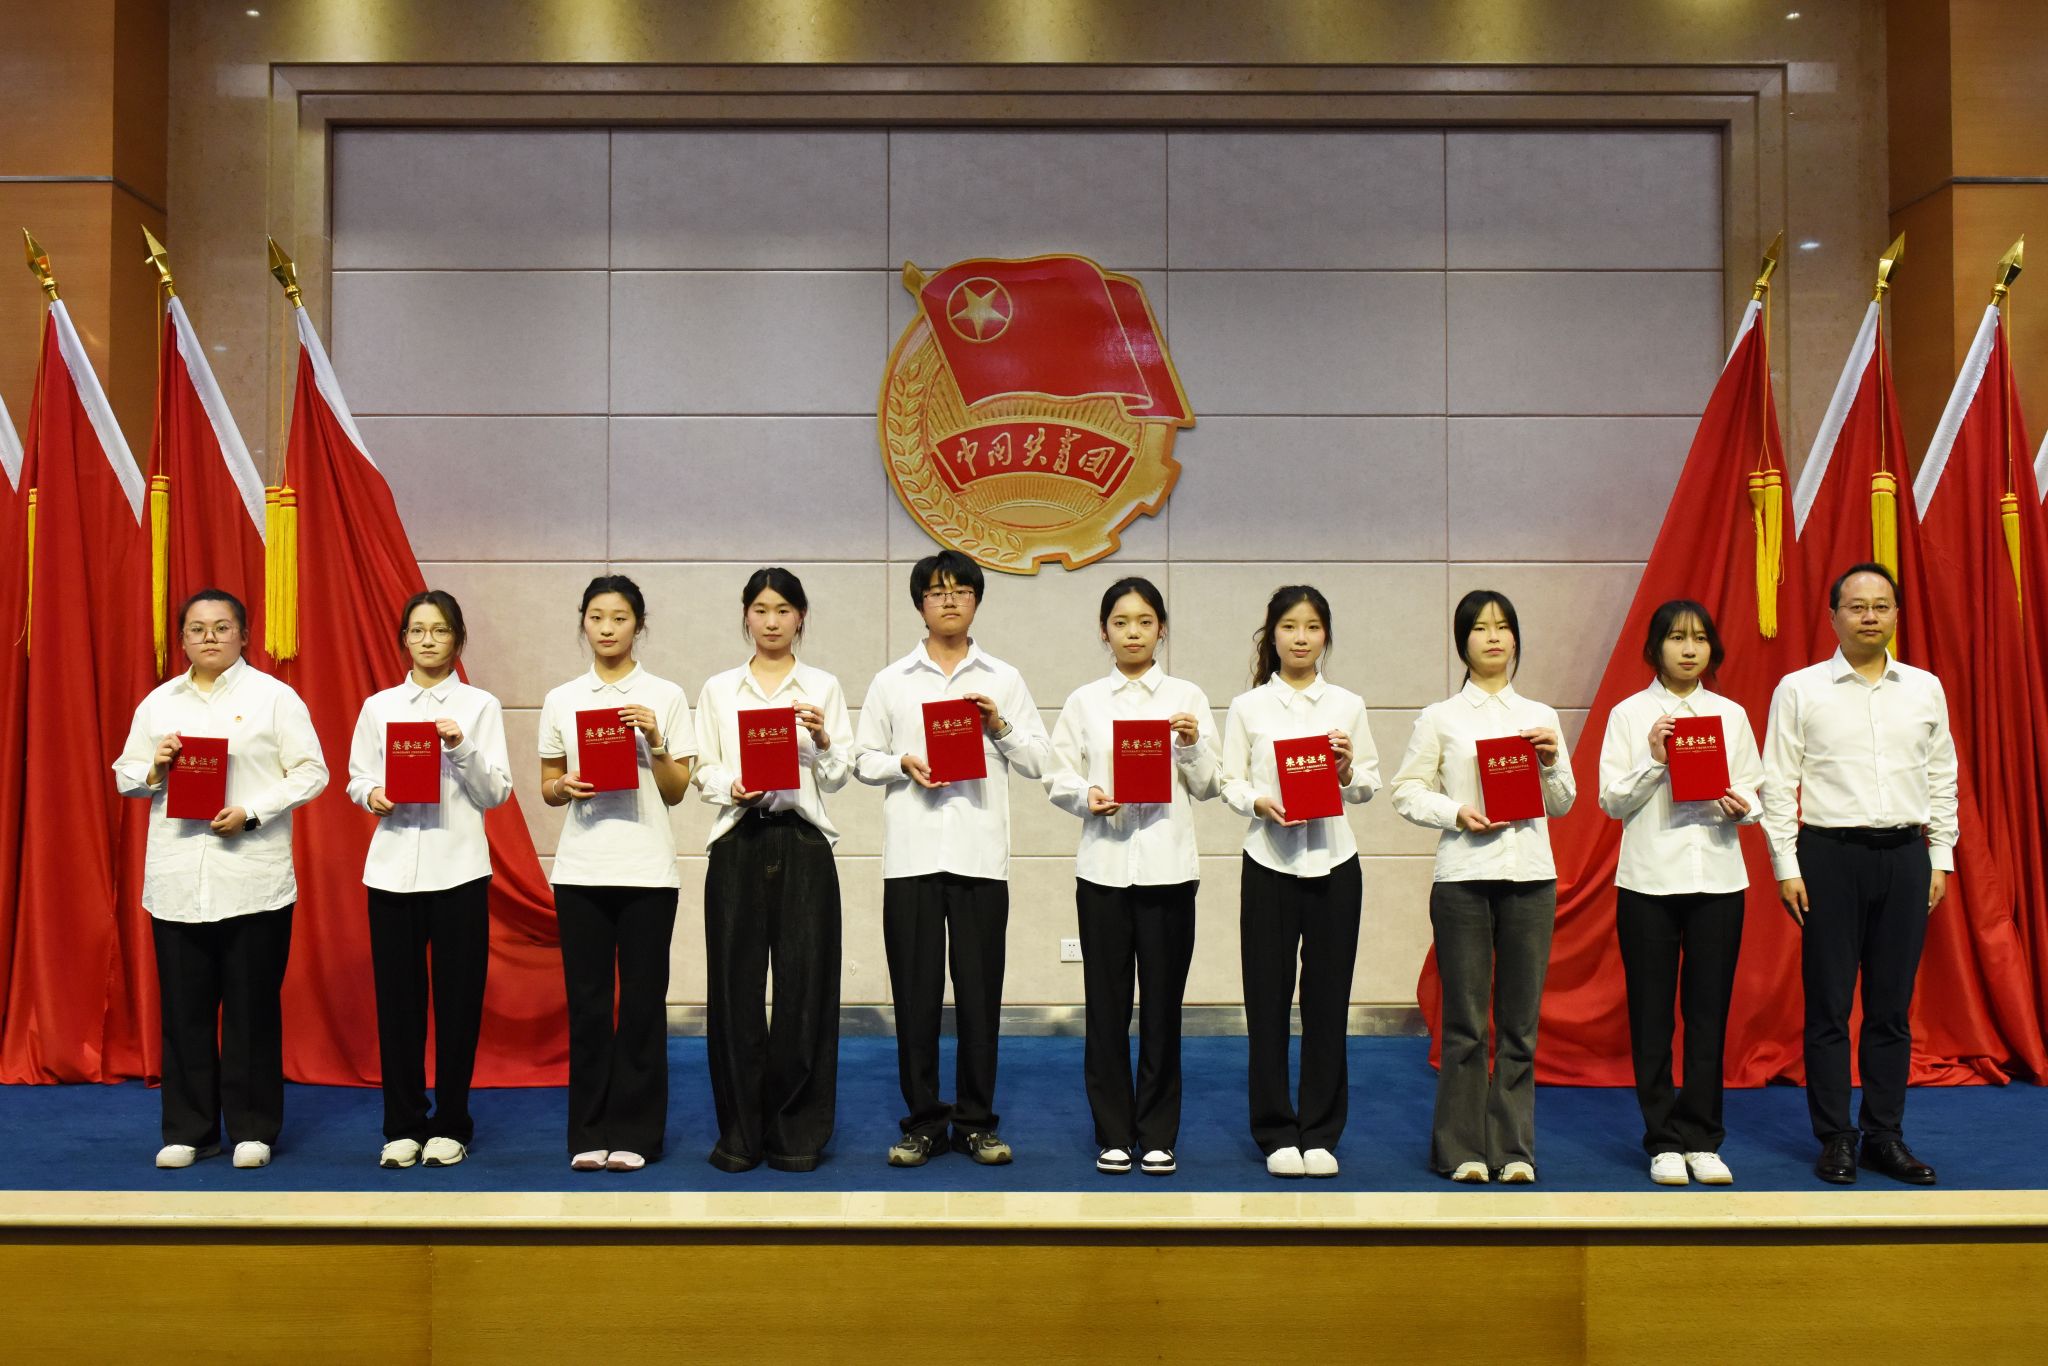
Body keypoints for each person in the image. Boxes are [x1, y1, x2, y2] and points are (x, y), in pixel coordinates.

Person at [113, 588, 328, 1169]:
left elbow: (312, 771)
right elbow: (125, 775)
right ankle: (190, 1130)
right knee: (184, 1011)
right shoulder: (159, 702)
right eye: (197, 628)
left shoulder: (274, 698)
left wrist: (252, 811)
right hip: (178, 878)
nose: (209, 637)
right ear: (182, 639)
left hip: (252, 878)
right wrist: (155, 767)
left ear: (244, 635)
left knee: (251, 1010)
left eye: (222, 627)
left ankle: (253, 1129)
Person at [853, 549, 1052, 1168]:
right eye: (937, 591)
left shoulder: (1004, 678)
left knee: (979, 997)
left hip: (979, 856)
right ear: (920, 603)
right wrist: (902, 764)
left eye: (961, 590)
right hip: (912, 857)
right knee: (915, 999)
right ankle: (922, 1123)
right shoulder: (892, 680)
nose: (949, 600)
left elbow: (1041, 761)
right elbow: (861, 759)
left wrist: (1001, 727)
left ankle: (975, 1122)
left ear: (976, 601)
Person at [1763, 562, 1955, 1187]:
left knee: (1891, 1009)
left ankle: (1884, 1136)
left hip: (1906, 856)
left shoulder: (1924, 688)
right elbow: (1778, 782)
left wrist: (1940, 856)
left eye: (1881, 606)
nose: (1869, 616)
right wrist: (1786, 865)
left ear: (1897, 614)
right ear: (1833, 616)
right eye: (1856, 606)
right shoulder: (1800, 688)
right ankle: (1835, 1138)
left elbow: (1942, 776)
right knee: (1828, 1005)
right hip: (1828, 857)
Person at [1392, 589, 1573, 1185]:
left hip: (1531, 878)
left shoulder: (1541, 716)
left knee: (1520, 1024)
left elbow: (1563, 803)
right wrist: (1456, 812)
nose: (1493, 637)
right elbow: (1406, 791)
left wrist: (1550, 762)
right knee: (1466, 1024)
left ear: (1516, 638)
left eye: (1502, 627)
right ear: (1462, 642)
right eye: (1480, 628)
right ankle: (1461, 1149)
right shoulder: (1440, 717)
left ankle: (1514, 1149)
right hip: (1465, 879)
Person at [1046, 576, 1219, 1177]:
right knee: (1106, 1007)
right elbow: (1057, 776)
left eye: (1145, 621)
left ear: (1161, 629)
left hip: (1169, 870)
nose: (1133, 633)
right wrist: (1085, 795)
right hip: (1104, 870)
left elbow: (1209, 785)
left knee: (1163, 1008)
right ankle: (1113, 1132)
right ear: (1104, 632)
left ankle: (1159, 1133)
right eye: (1121, 622)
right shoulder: (1085, 702)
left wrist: (1191, 746)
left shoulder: (1188, 697)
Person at [1596, 599, 1763, 1187]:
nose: (1689, 649)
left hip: (1718, 879)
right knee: (1651, 1015)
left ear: (1712, 648)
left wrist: (1743, 807)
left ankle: (1703, 1138)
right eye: (1676, 638)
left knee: (1708, 1013)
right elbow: (1611, 801)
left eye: (1699, 639)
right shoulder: (1629, 714)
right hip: (1649, 880)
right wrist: (1654, 760)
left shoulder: (1730, 715)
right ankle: (1663, 1140)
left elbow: (1755, 791)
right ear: (1655, 647)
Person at [691, 568, 851, 1173]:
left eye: (783, 610)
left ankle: (796, 1132)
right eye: (760, 609)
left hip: (803, 840)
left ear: (801, 617)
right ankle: (740, 1132)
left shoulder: (823, 686)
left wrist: (824, 739)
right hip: (739, 839)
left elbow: (839, 774)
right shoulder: (719, 689)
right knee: (734, 990)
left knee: (805, 990)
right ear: (746, 616)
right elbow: (702, 767)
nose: (772, 621)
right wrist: (728, 785)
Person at [347, 589, 513, 1170]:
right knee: (398, 1006)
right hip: (391, 872)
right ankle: (402, 1125)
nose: (428, 640)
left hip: (458, 870)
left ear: (458, 639)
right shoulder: (379, 706)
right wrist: (372, 794)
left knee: (458, 1004)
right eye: (417, 630)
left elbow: (496, 792)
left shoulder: (479, 706)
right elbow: (357, 776)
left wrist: (459, 745)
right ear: (404, 639)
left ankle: (451, 1124)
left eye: (440, 630)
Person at [1219, 585, 1379, 1179]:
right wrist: (1257, 802)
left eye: (1312, 627)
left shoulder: (1348, 705)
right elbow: (1228, 781)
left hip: (1336, 864)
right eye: (1289, 626)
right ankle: (1275, 1130)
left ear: (1325, 636)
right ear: (1273, 635)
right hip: (1269, 862)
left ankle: (1321, 1131)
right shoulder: (1248, 707)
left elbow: (1368, 784)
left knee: (1328, 1002)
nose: (1301, 638)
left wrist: (1347, 769)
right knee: (1266, 1002)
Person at [538, 575, 695, 1173]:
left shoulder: (666, 696)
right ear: (583, 621)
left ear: (639, 625)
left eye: (620, 618)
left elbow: (676, 791)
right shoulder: (562, 698)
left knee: (642, 1005)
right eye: (597, 617)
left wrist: (655, 738)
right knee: (588, 1004)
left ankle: (637, 1132)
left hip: (647, 870)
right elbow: (547, 785)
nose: (607, 628)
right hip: (581, 869)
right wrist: (563, 787)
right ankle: (588, 1131)